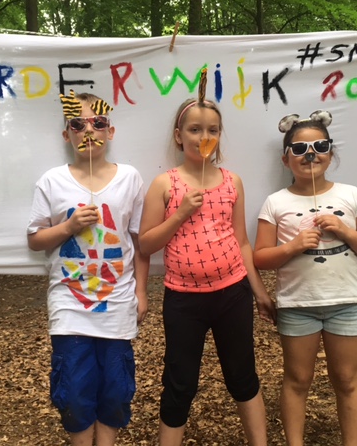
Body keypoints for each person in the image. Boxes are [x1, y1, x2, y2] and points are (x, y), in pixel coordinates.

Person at [139, 76, 276, 446]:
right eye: (195, 129)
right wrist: (180, 213)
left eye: (213, 130)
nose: (204, 136)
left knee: (242, 376)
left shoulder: (232, 182)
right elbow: (146, 244)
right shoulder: (165, 184)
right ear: (178, 136)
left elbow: (242, 242)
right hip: (184, 300)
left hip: (232, 293)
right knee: (180, 382)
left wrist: (259, 292)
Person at [252, 110, 357, 446]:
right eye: (299, 149)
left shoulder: (351, 195)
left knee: (347, 379)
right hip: (298, 305)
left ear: (331, 151)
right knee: (297, 379)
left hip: (347, 302)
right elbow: (260, 258)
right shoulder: (275, 202)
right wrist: (294, 246)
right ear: (286, 158)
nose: (310, 154)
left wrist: (345, 231)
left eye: (320, 146)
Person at [27, 90, 149, 446]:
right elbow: (35, 239)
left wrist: (141, 292)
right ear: (67, 135)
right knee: (75, 393)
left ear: (110, 130)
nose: (89, 130)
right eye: (78, 124)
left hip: (117, 303)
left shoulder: (129, 178)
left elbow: (139, 241)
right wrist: (68, 226)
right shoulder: (52, 181)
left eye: (98, 122)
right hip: (69, 306)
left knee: (115, 390)